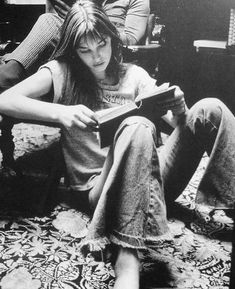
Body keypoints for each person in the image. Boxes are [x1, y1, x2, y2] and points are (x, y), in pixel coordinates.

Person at [0, 1, 235, 288]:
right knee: (137, 126)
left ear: (112, 38)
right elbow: (5, 99)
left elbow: (179, 127)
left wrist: (182, 109)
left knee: (210, 108)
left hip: (150, 181)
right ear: (73, 50)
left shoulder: (133, 75)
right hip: (99, 188)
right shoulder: (61, 72)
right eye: (84, 50)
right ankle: (127, 258)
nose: (96, 57)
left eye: (102, 45)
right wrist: (61, 112)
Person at [0, 0, 150, 175]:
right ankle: (7, 77)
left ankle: (5, 78)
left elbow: (131, 37)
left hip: (109, 51)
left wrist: (91, 23)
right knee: (48, 20)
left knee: (51, 23)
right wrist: (75, 21)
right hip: (70, 52)